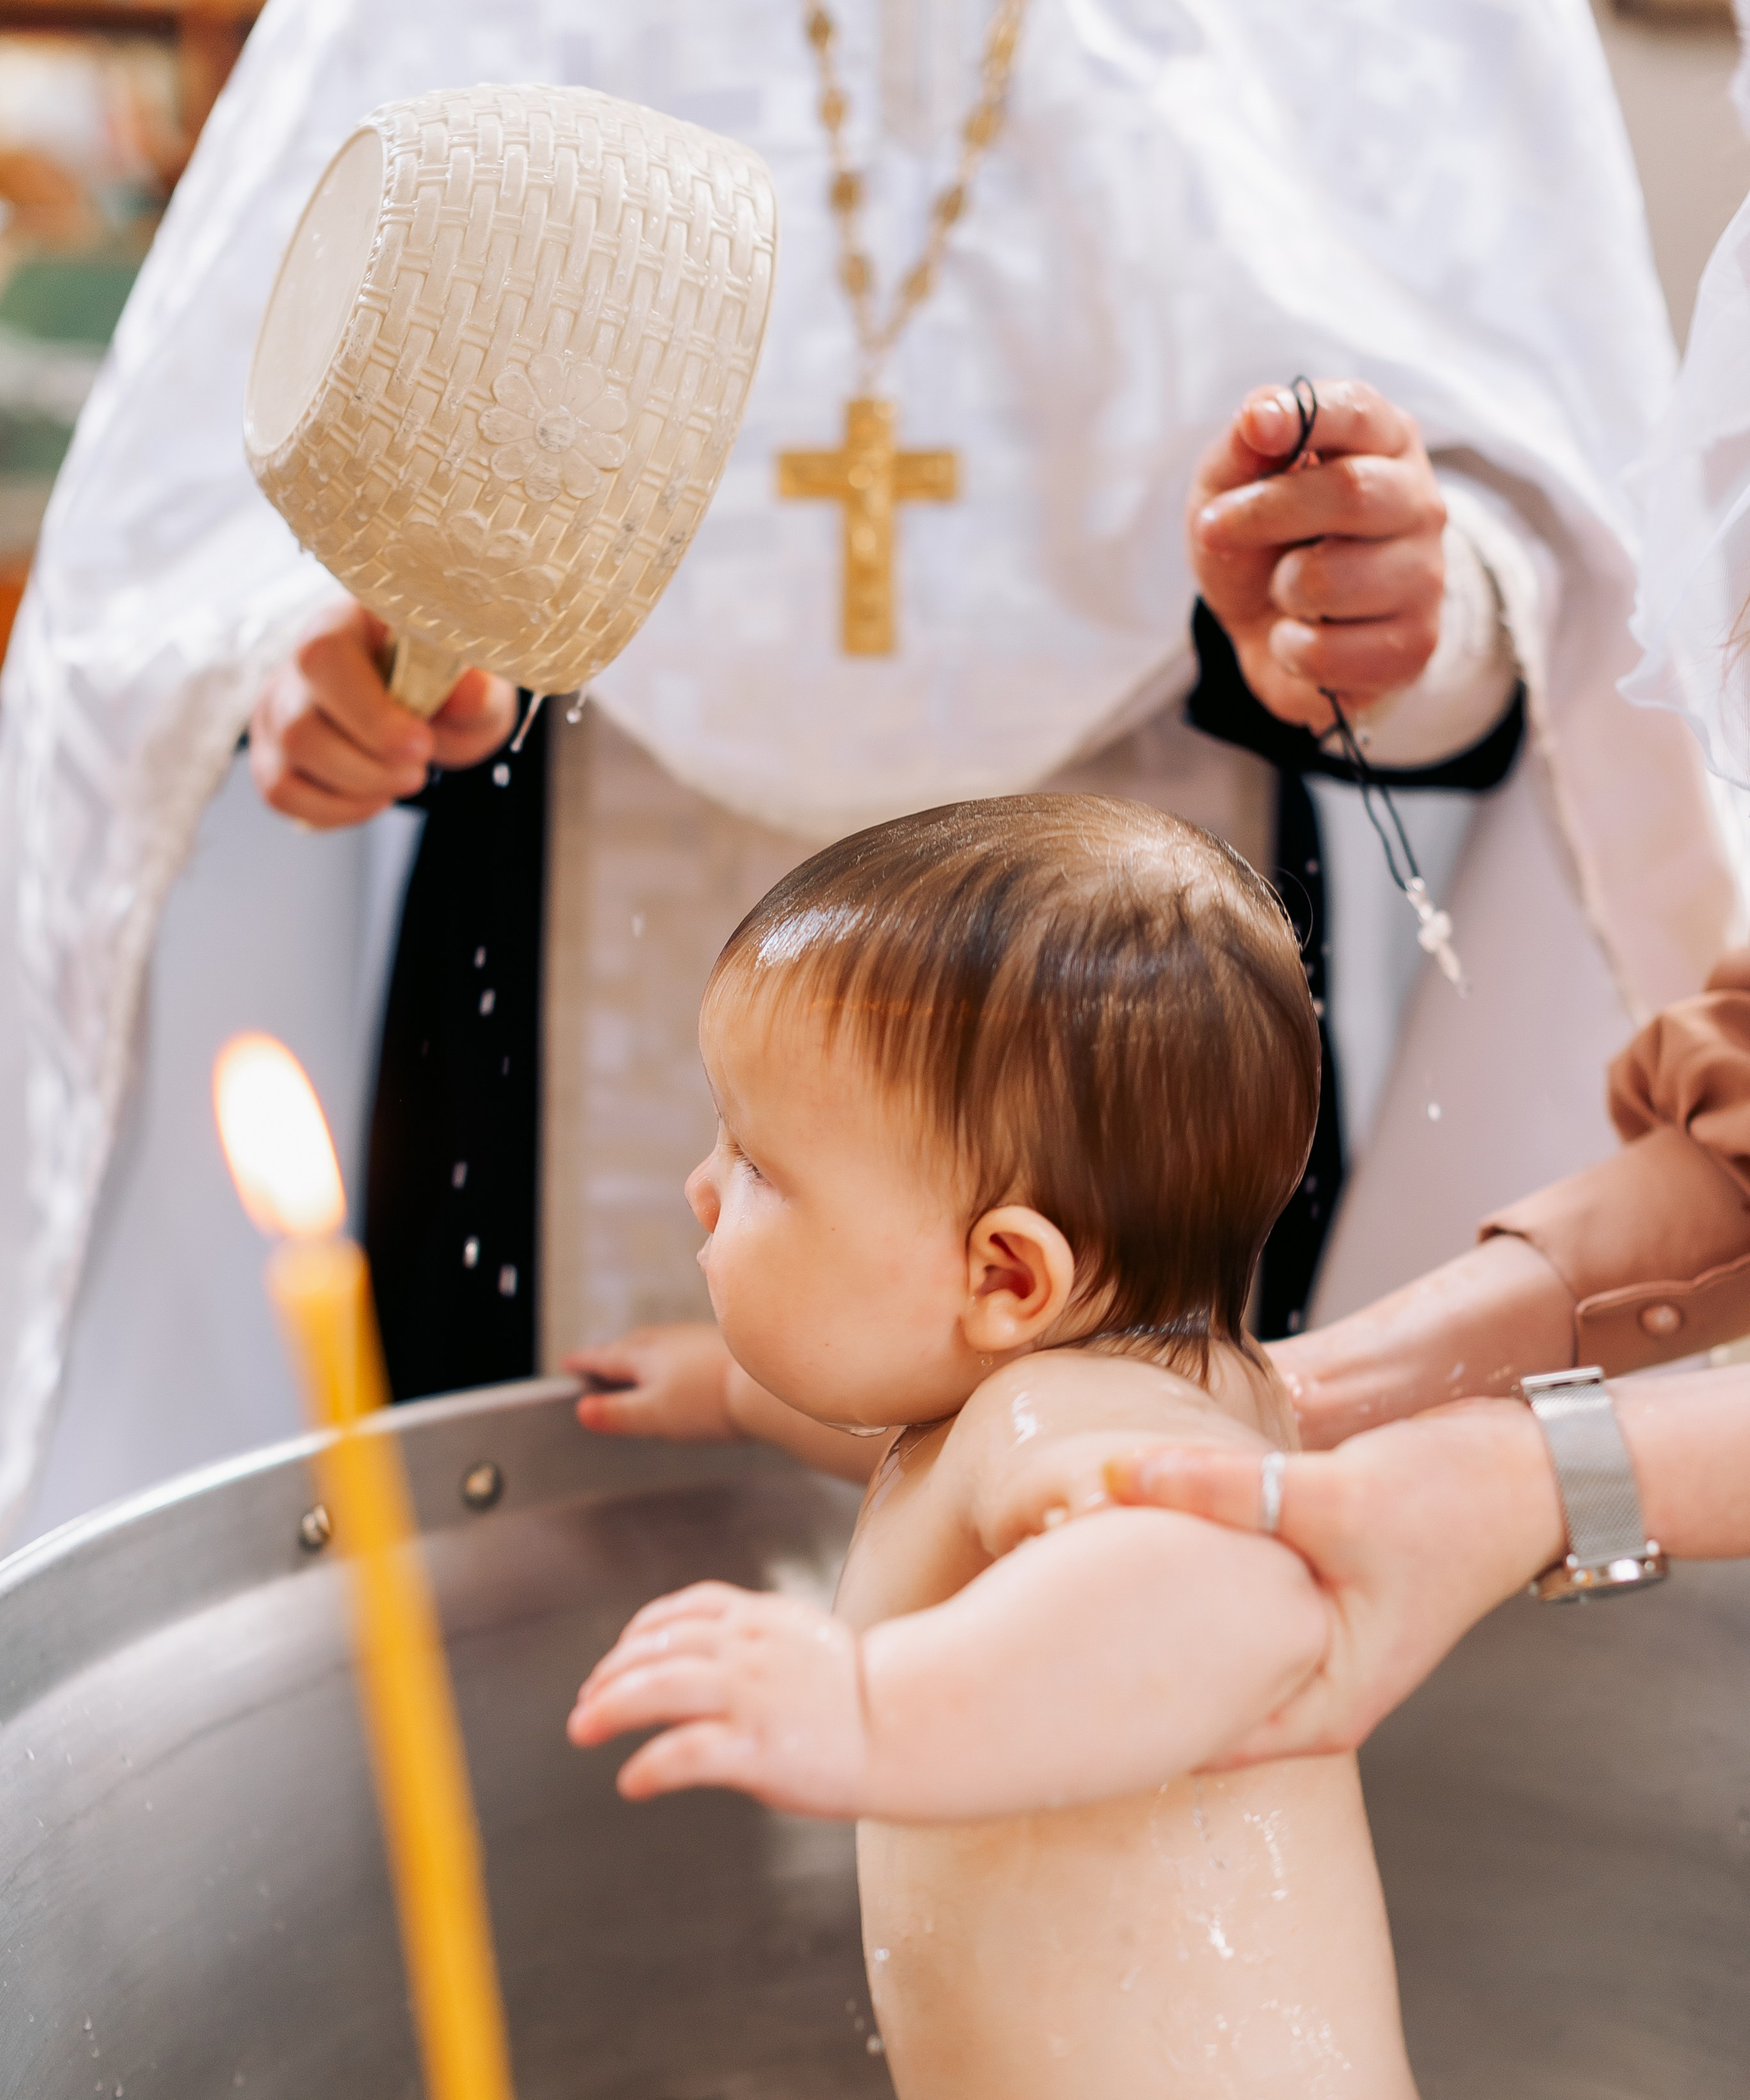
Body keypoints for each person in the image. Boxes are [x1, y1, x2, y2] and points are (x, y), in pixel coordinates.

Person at [3, 0, 1738, 1550]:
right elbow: (212, 500)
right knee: (538, 1664)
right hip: (565, 893)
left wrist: (1386, 623)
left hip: (1141, 948)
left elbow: (1573, 558)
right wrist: (320, 653)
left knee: (1136, 1585)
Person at [567, 792, 1562, 2100]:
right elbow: (907, 1430)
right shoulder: (1066, 1391)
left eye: (762, 1168)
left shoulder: (1093, 1438)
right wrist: (733, 1392)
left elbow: (1217, 1599)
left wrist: (870, 1709)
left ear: (1007, 1272)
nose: (703, 1191)